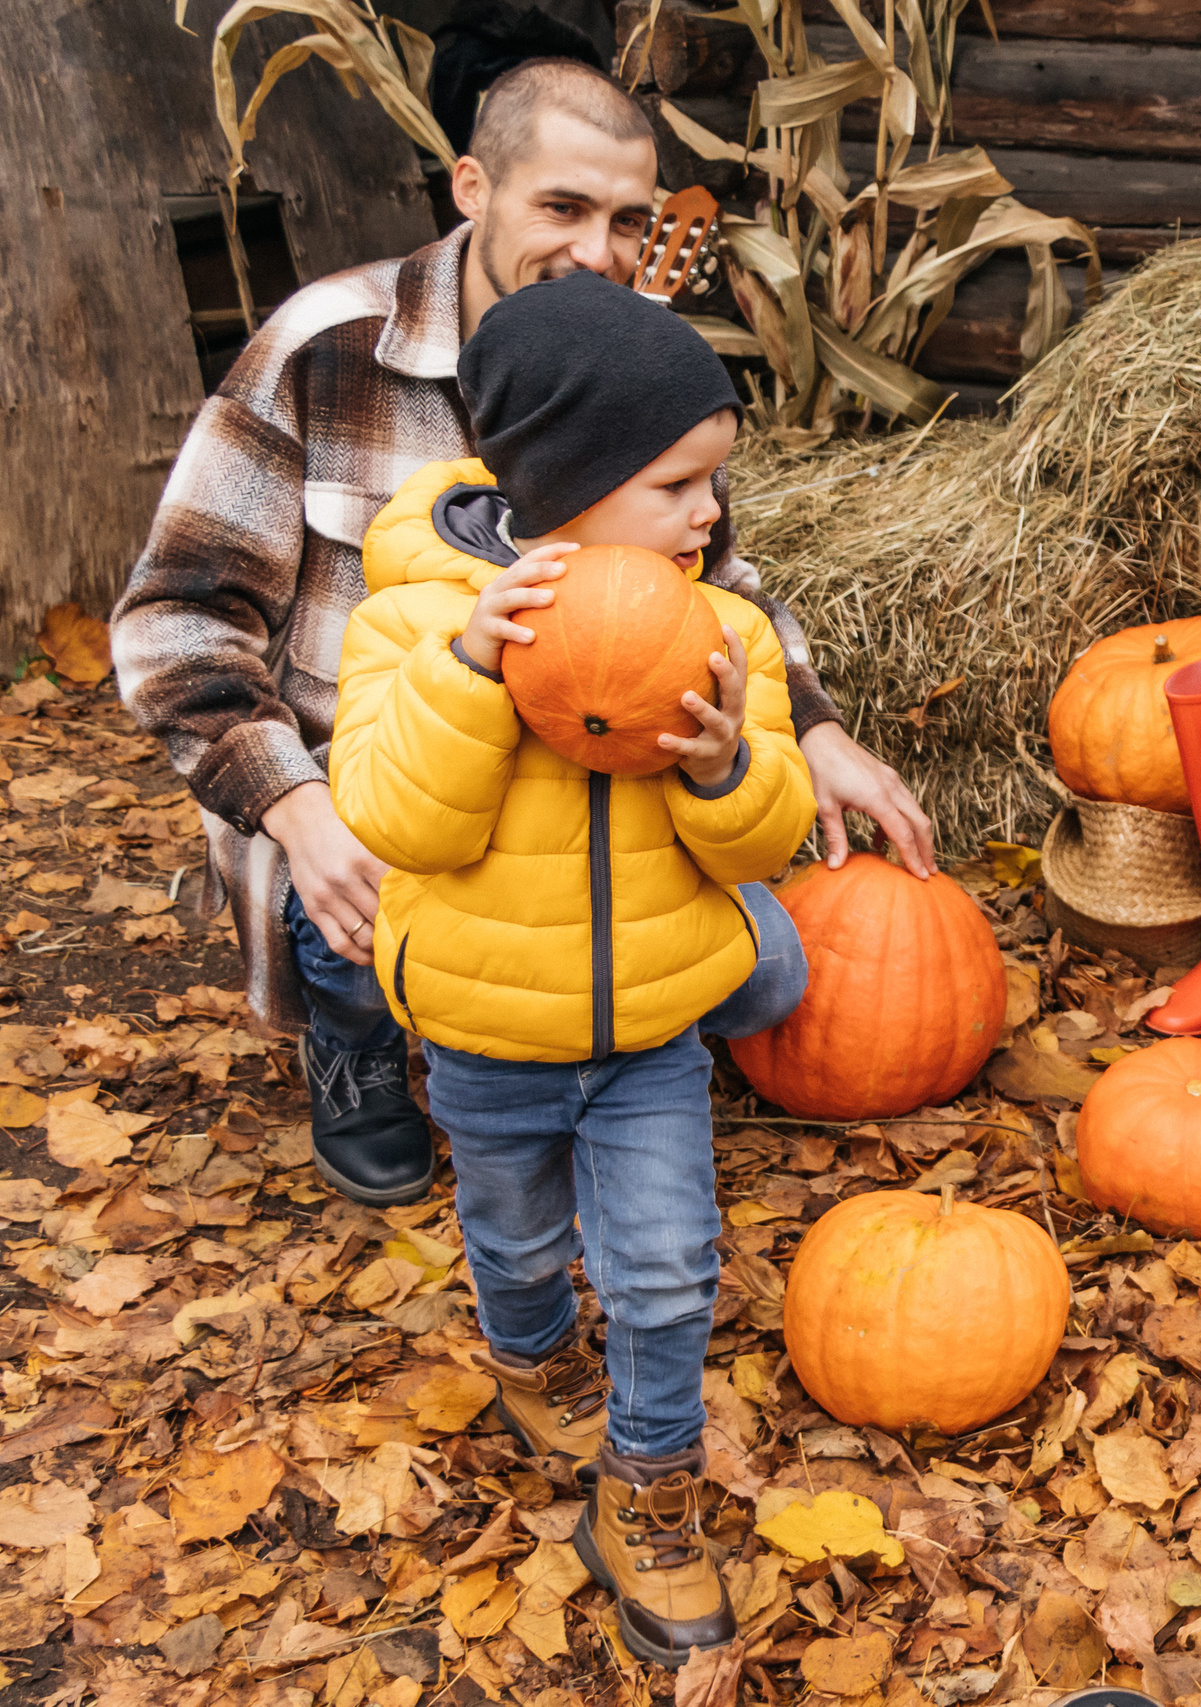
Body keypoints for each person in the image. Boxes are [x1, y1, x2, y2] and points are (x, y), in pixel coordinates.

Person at [112, 57, 934, 1211]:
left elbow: (717, 583)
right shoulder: (324, 347)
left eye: (629, 221)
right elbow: (175, 619)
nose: (600, 254)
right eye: (562, 207)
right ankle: (351, 1037)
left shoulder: (630, 361)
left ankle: (594, 1017)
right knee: (367, 869)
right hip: (380, 785)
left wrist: (815, 723)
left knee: (777, 974)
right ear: (471, 187)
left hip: (595, 781)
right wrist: (294, 810)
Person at [334, 271, 810, 1667]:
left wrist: (728, 764)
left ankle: (649, 1488)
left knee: (666, 1270)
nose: (708, 514)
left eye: (713, 483)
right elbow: (397, 819)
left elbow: (761, 843)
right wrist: (475, 677)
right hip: (484, 1030)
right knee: (519, 1238)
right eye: (676, 486)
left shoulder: (722, 633)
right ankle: (532, 1354)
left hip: (651, 1029)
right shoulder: (413, 623)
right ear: (566, 481)